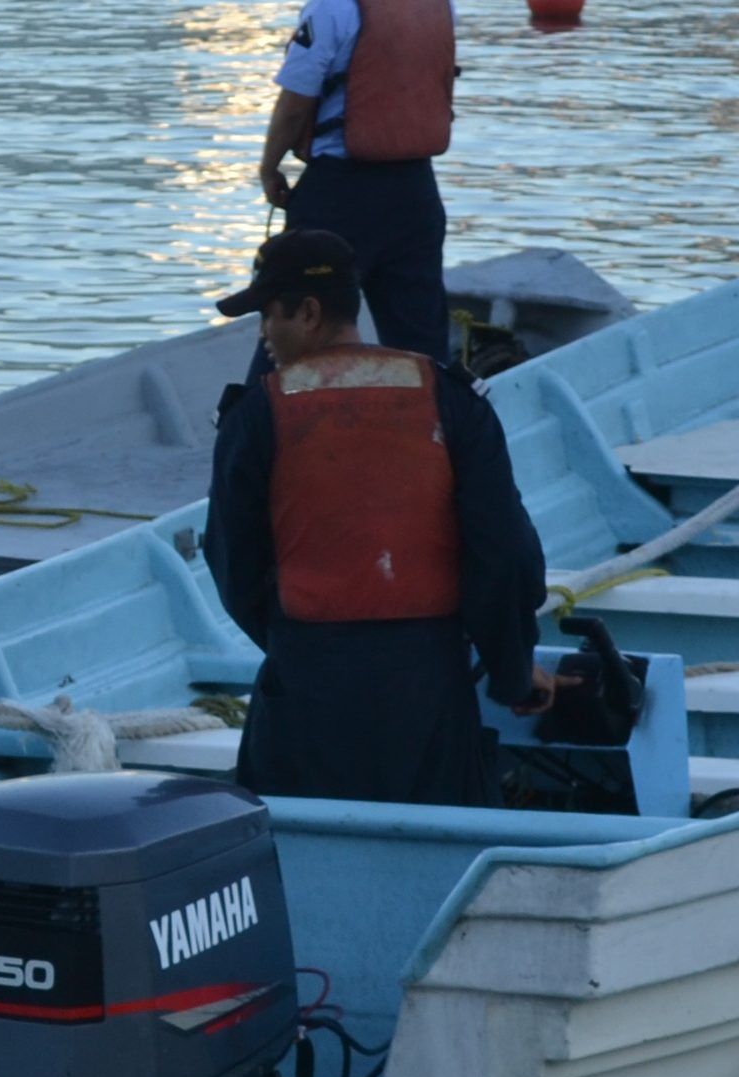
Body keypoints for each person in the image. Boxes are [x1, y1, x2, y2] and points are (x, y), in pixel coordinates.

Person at [200, 229, 552, 806]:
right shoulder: (451, 397)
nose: (263, 334)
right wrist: (512, 671)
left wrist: (296, 645)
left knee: (293, 849)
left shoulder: (257, 413)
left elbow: (234, 565)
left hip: (306, 690)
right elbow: (504, 554)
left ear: (309, 312)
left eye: (269, 315)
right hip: (429, 686)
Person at [255, 0, 457, 367]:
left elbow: (296, 99)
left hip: (340, 196)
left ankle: (259, 428)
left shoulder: (335, 1)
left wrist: (270, 164)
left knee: (292, 326)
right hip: (416, 196)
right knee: (420, 342)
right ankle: (436, 432)